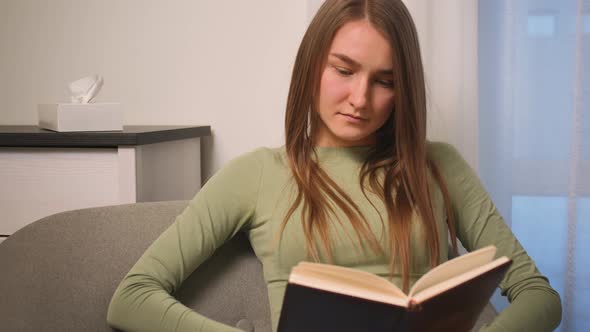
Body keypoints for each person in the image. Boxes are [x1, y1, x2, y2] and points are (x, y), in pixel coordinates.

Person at [107, 0, 562, 331]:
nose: (360, 99)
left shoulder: (438, 164)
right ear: (311, 68)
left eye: (384, 81)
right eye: (344, 70)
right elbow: (133, 296)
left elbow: (538, 295)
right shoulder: (257, 174)